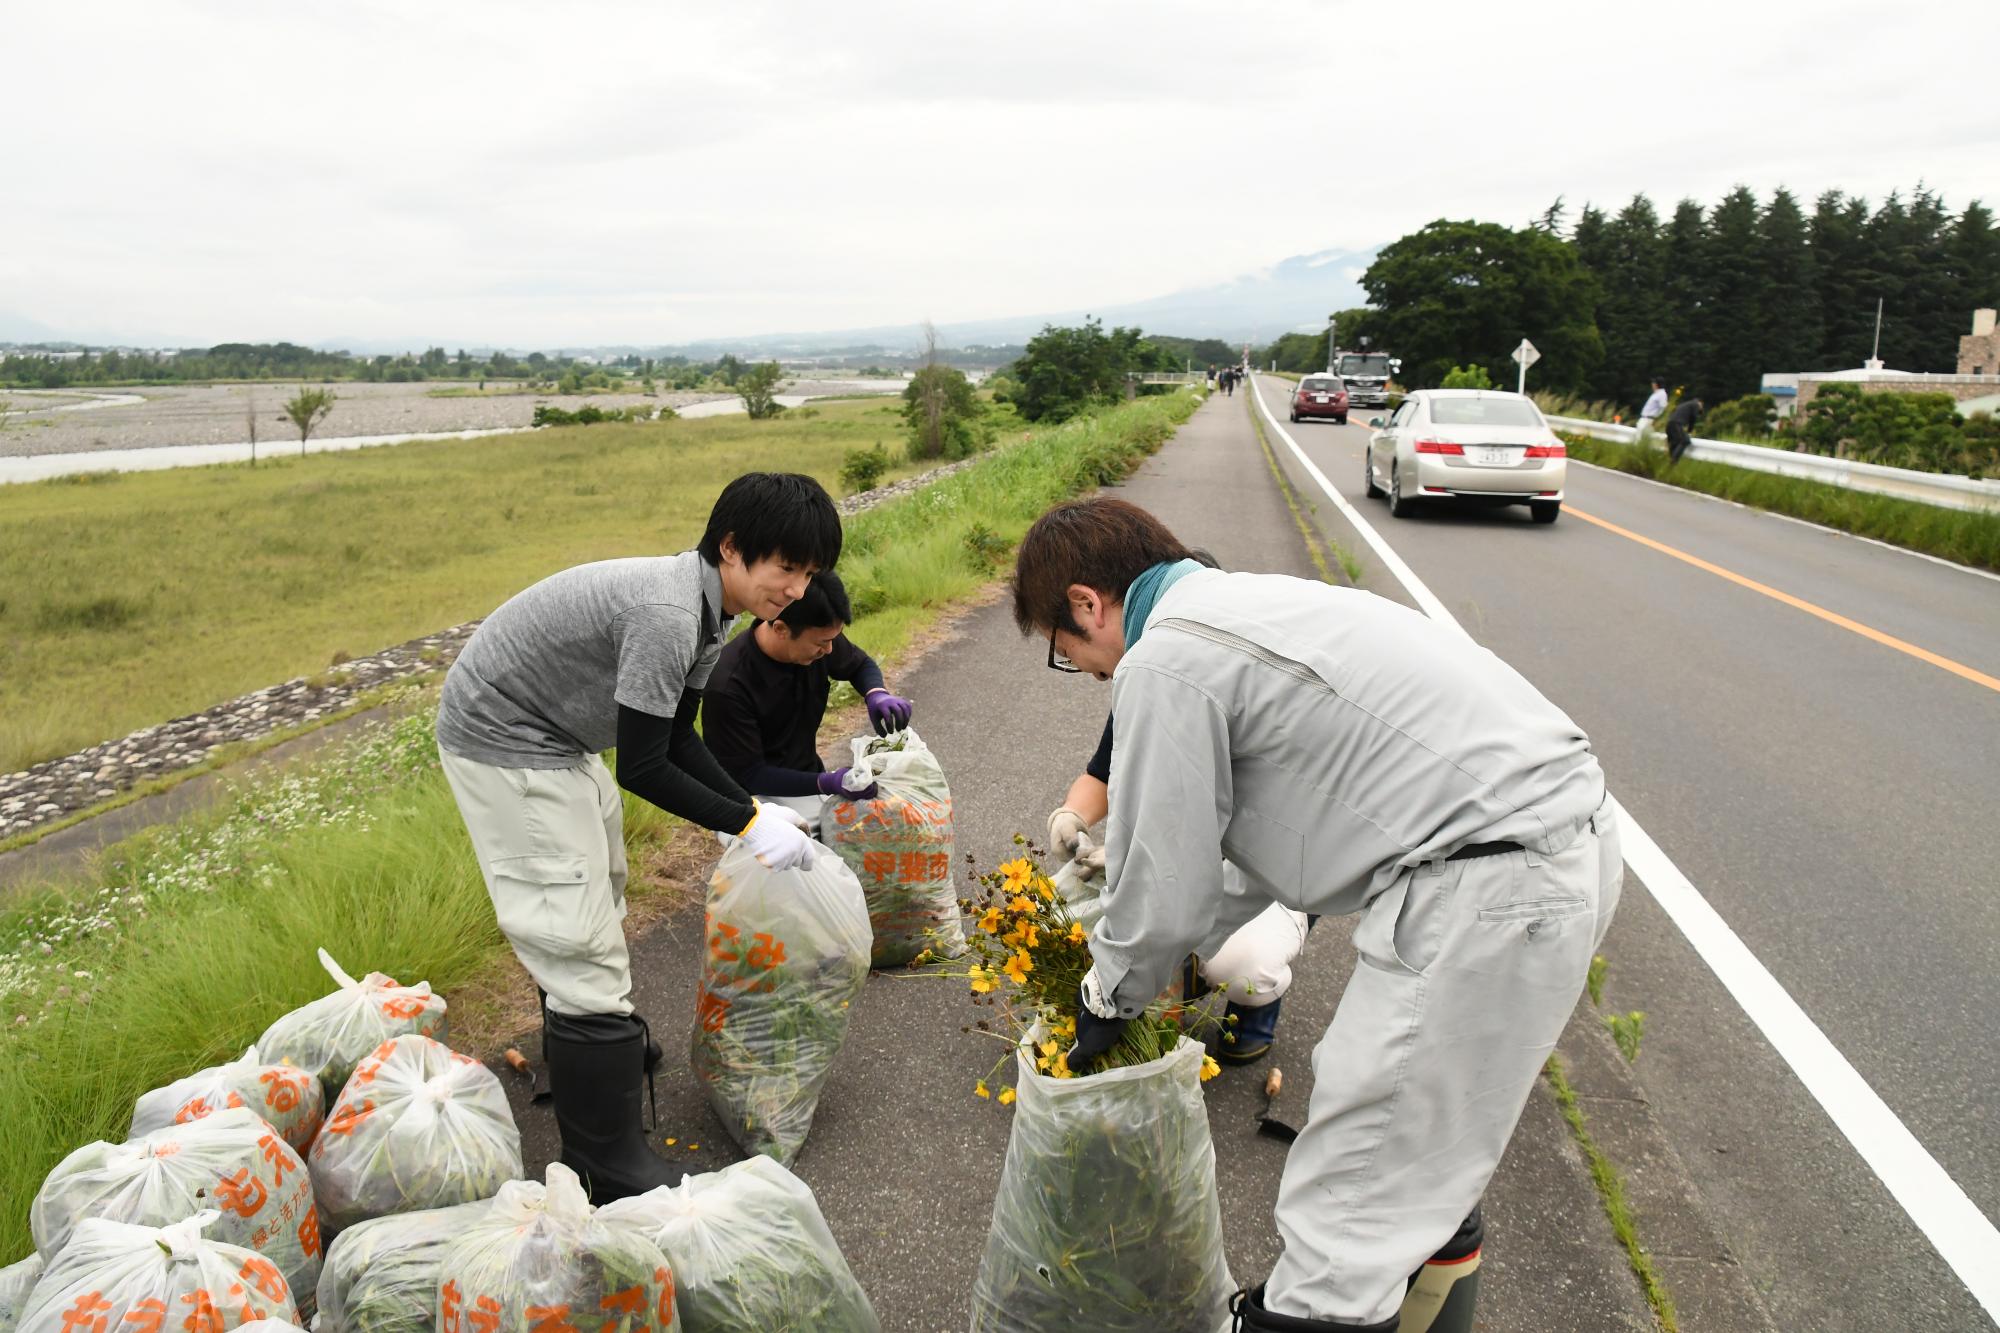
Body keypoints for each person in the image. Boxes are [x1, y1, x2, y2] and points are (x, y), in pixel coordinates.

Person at [1012, 496, 1621, 1331]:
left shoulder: (1167, 658)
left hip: (1491, 885)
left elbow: (1166, 888)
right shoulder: (1251, 604)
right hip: (1564, 842)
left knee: (1351, 1204)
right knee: (1415, 1167)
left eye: (1068, 651)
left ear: (1087, 603)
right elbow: (1237, 860)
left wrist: (1104, 999)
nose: (1089, 672)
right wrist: (1161, 953)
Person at [435, 471, 841, 1202]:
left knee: (603, 875)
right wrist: (747, 823)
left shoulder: (711, 613)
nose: (797, 586)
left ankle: (596, 1045)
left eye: (810, 572)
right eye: (787, 566)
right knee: (570, 918)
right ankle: (606, 1162)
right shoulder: (666, 612)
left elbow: (676, 737)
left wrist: (749, 808)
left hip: (556, 735)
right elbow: (645, 765)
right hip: (504, 736)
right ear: (732, 546)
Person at [701, 569, 914, 834]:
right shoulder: (728, 686)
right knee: (793, 866)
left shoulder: (816, 640)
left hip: (807, 782)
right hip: (753, 807)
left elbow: (859, 665)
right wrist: (827, 783)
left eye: (833, 640)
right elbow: (749, 774)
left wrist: (876, 693)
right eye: (822, 643)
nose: (829, 651)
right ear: (780, 628)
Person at [1666, 395, 1704, 463]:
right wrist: (1689, 431)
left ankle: (1670, 463)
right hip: (1676, 424)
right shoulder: (1696, 404)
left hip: (1669, 424)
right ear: (1700, 403)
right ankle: (1673, 460)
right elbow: (1693, 418)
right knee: (1685, 440)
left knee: (1674, 443)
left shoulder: (1685, 404)